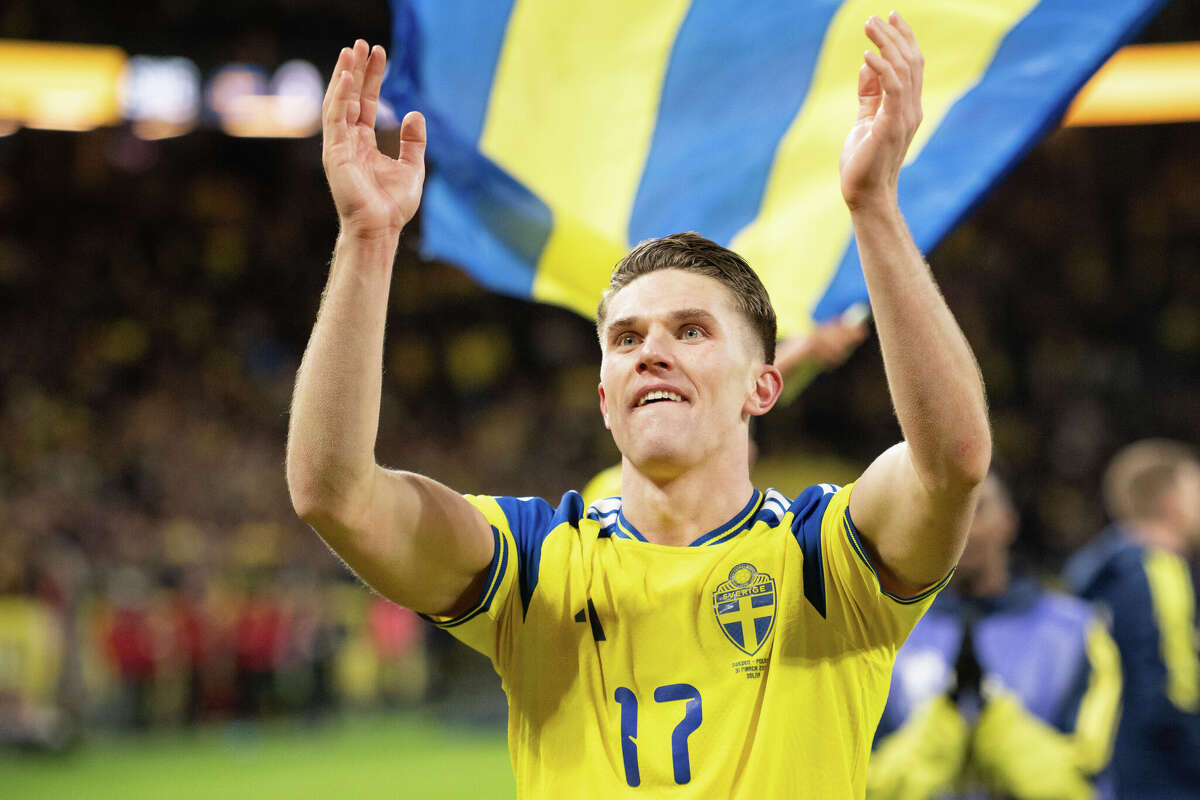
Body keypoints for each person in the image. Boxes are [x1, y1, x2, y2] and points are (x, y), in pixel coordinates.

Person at [287, 12, 991, 797]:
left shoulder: (823, 562)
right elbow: (335, 494)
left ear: (764, 387)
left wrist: (874, 208)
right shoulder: (533, 565)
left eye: (691, 331)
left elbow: (951, 464)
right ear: (605, 398)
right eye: (625, 339)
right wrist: (366, 238)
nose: (651, 350)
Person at [869, 472, 1122, 800]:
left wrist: (999, 731)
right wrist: (937, 735)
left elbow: (1090, 781)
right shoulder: (883, 632)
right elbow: (861, 780)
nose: (958, 526)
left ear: (1009, 522)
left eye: (976, 509)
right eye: (939, 511)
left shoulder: (1078, 631)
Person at [1064, 439, 1200, 799]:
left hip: (1112, 767)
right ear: (1171, 502)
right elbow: (1176, 687)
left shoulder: (1100, 569)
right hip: (1165, 776)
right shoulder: (1160, 570)